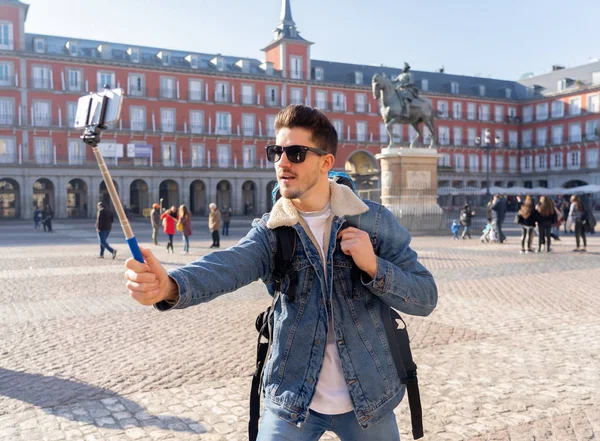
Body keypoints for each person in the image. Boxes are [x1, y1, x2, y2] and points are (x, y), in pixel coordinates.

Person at [124, 104, 438, 441]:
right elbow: (230, 264)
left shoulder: (372, 221)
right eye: (276, 151)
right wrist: (171, 286)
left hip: (369, 400)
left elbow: (425, 296)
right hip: (292, 400)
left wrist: (374, 267)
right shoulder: (274, 230)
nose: (282, 162)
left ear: (326, 162)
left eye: (296, 153)